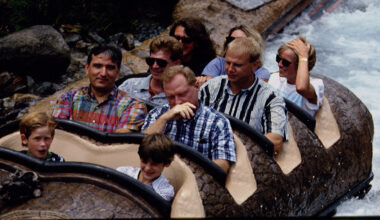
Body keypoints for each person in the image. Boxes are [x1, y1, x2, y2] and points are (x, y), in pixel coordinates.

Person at [199, 38, 288, 153]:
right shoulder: (210, 88)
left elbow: (274, 142)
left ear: (254, 65)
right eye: (227, 63)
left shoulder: (271, 98)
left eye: (237, 65)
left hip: (248, 161)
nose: (230, 69)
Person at [142, 65, 236, 173]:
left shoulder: (217, 122)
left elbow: (222, 164)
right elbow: (140, 150)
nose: (177, 102)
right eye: (171, 97)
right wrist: (164, 119)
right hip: (158, 178)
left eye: (182, 94)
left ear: (196, 86)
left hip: (198, 181)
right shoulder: (157, 114)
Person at [52, 44, 147, 133]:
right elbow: (56, 136)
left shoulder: (133, 106)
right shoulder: (68, 99)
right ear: (87, 68)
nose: (103, 73)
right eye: (98, 66)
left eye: (110, 68)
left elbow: (120, 144)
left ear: (117, 73)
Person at [268, 36, 324, 117]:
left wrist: (303, 56)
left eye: (285, 62)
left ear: (300, 65)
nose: (279, 64)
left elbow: (301, 88)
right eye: (278, 59)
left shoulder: (316, 85)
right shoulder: (274, 78)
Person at [118, 35, 182, 105]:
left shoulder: (182, 97)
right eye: (151, 61)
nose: (155, 66)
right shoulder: (129, 86)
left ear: (176, 63)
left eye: (161, 63)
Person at [200, 25, 270, 86]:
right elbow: (207, 86)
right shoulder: (218, 63)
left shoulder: (261, 73)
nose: (234, 44)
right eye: (231, 40)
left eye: (241, 41)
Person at [116, 133, 175, 201]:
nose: (147, 168)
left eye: (154, 164)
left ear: (167, 163)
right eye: (144, 161)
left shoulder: (165, 191)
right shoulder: (123, 172)